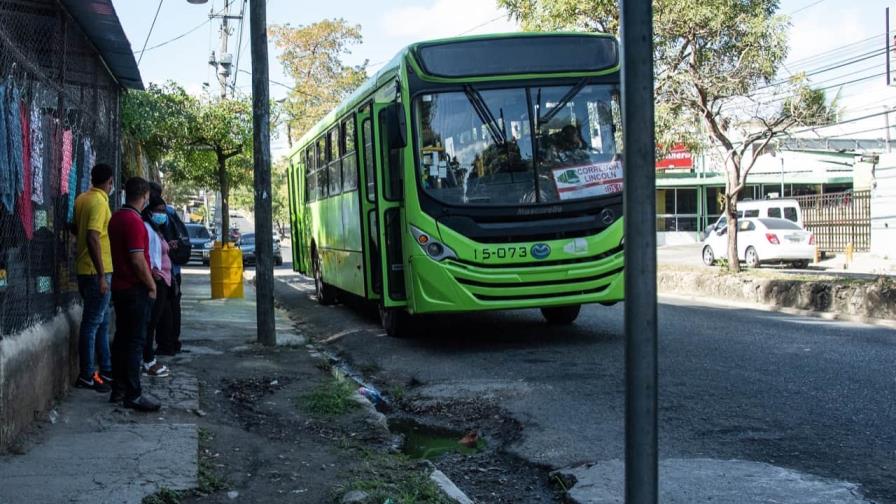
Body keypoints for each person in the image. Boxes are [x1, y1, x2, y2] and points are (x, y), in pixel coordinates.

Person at [108, 177, 160, 412]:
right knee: (135, 342)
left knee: (122, 339)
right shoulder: (134, 222)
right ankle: (133, 392)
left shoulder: (117, 217)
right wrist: (151, 285)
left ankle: (118, 389)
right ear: (145, 195)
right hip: (134, 288)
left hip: (120, 287)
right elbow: (138, 260)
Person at [72, 164, 115, 392]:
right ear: (109, 181)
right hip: (95, 270)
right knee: (92, 323)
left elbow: (76, 229)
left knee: (101, 321)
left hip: (87, 268)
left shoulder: (82, 199)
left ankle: (105, 369)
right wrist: (101, 275)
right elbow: (92, 236)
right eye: (111, 183)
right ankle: (87, 375)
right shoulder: (99, 202)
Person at [148, 182, 190, 355]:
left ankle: (166, 344)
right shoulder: (171, 212)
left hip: (165, 272)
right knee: (172, 308)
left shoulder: (157, 215)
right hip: (173, 271)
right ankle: (172, 343)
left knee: (164, 310)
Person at [142, 194, 173, 378]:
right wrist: (154, 280)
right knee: (150, 324)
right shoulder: (147, 228)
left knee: (153, 323)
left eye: (164, 211)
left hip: (162, 280)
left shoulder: (156, 229)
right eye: (159, 211)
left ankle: (149, 358)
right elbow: (148, 257)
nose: (163, 215)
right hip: (156, 280)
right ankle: (148, 360)